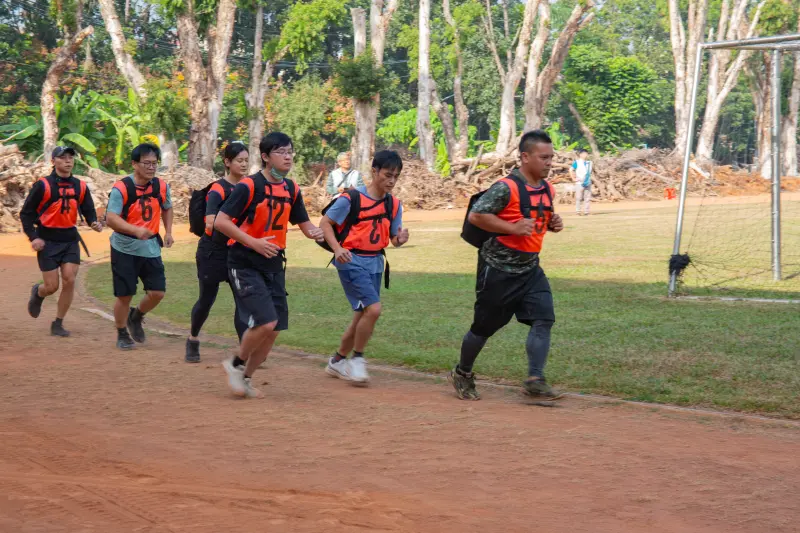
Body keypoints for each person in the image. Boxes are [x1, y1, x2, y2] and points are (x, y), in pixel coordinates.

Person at [450, 130, 564, 401]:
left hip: (530, 269)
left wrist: (553, 223)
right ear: (525, 157)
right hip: (498, 271)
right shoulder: (506, 187)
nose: (549, 163)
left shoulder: (547, 188)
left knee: (544, 318)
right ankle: (462, 372)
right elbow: (477, 215)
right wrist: (512, 228)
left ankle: (535, 379)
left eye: (551, 157)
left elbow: (538, 218)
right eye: (543, 157)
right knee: (483, 329)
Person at [214, 132, 324, 399]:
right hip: (244, 261)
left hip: (274, 263)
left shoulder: (291, 188)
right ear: (265, 157)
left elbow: (305, 224)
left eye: (290, 151)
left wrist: (321, 234)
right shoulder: (249, 187)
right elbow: (221, 222)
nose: (288, 157)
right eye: (281, 152)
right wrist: (254, 243)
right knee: (266, 321)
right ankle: (235, 364)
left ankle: (246, 377)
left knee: (273, 331)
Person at [319, 150, 409, 385]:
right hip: (351, 261)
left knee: (362, 315)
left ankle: (337, 361)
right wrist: (338, 249)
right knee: (374, 309)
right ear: (374, 171)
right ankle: (357, 359)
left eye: (396, 177)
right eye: (388, 175)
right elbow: (325, 222)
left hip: (375, 263)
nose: (391, 181)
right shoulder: (351, 199)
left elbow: (393, 239)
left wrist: (400, 239)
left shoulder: (394, 204)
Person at [22, 146, 102, 336]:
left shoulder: (80, 186)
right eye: (63, 157)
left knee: (69, 279)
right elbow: (26, 214)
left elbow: (88, 209)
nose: (68, 161)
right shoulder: (43, 185)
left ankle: (58, 322)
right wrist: (34, 237)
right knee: (51, 287)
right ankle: (38, 292)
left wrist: (93, 223)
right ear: (53, 161)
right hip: (47, 240)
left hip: (70, 239)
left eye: (70, 158)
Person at [105, 143, 174, 350]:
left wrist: (168, 231)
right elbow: (110, 218)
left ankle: (136, 316)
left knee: (157, 292)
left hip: (150, 247)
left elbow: (167, 208)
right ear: (134, 164)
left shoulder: (161, 186)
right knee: (125, 295)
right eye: (147, 163)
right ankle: (121, 332)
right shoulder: (122, 188)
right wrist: (135, 230)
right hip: (124, 247)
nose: (151, 167)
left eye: (155, 163)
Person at [185, 142, 249, 363]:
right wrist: (234, 227)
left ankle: (245, 351)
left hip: (237, 252)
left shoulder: (248, 187)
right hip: (213, 252)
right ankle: (192, 339)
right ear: (227, 162)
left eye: (246, 160)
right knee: (206, 299)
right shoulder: (219, 189)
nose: (244, 164)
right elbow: (210, 223)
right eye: (239, 160)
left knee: (242, 301)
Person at [570, 148, 593, 216]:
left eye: (586, 153)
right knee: (578, 198)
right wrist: (573, 178)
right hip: (579, 183)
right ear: (580, 155)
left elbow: (590, 172)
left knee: (587, 198)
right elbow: (571, 170)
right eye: (583, 153)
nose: (585, 155)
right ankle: (578, 211)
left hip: (588, 182)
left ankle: (586, 212)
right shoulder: (577, 162)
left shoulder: (590, 163)